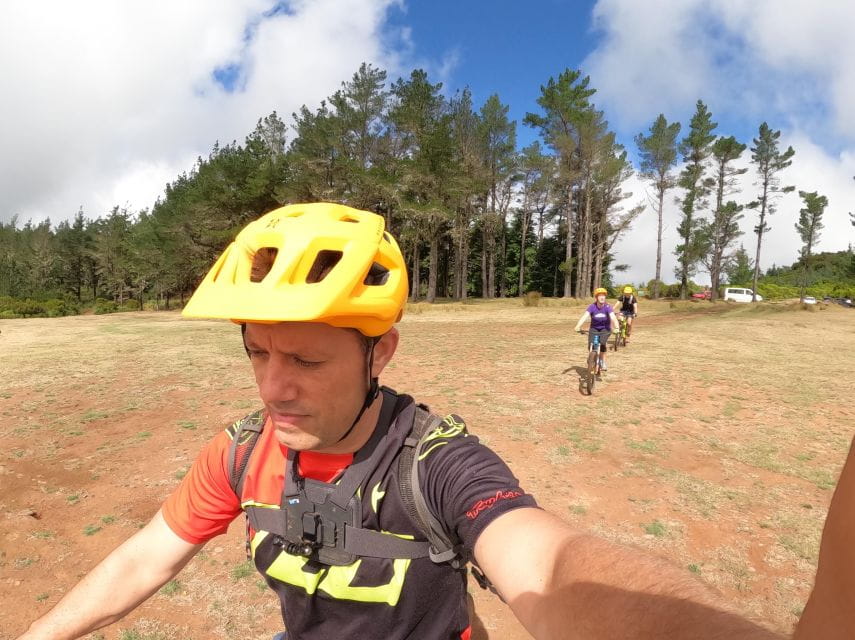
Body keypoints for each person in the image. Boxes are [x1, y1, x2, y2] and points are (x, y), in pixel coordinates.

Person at [18, 203, 831, 640]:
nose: (273, 387)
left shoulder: (433, 462)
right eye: (256, 353)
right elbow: (140, 562)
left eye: (305, 361)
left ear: (382, 354)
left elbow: (547, 567)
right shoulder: (239, 453)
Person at [573, 287, 619, 371]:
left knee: (602, 344)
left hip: (605, 329)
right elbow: (585, 316)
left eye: (604, 296)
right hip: (594, 329)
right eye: (600, 296)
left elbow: (613, 317)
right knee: (591, 344)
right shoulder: (592, 307)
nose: (602, 297)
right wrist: (578, 326)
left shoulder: (608, 307)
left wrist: (617, 327)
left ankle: (602, 361)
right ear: (596, 297)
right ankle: (592, 357)